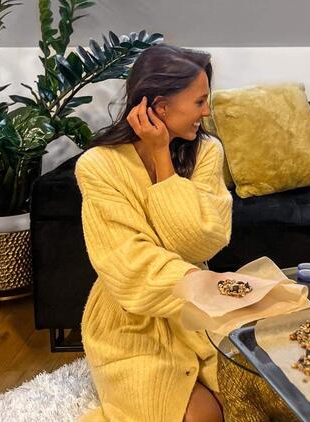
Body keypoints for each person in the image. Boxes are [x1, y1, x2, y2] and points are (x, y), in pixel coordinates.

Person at [75, 44, 231, 422]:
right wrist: (205, 287)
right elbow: (129, 265)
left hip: (197, 312)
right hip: (129, 318)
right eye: (200, 102)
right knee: (199, 416)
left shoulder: (206, 151)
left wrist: (163, 160)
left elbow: (201, 241)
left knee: (254, 399)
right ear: (160, 107)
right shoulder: (98, 165)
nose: (207, 112)